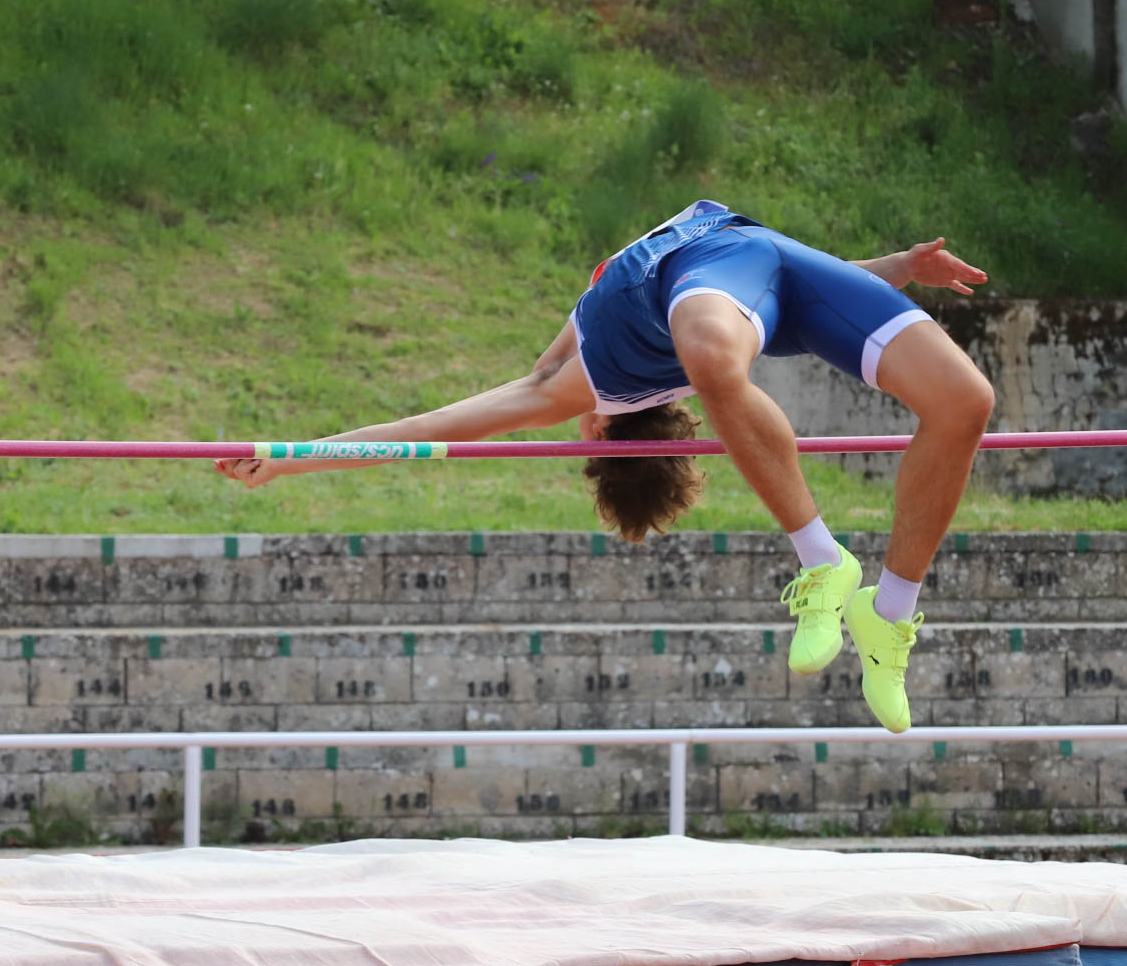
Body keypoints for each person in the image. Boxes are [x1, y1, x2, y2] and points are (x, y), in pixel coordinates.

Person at [215, 200, 995, 735]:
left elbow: (756, 282)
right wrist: (295, 459)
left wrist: (892, 266)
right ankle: (828, 568)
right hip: (733, 286)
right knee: (719, 356)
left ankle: (885, 615)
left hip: (766, 269)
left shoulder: (608, 371)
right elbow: (436, 428)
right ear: (603, 434)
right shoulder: (605, 376)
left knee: (965, 400)